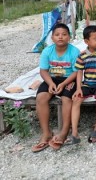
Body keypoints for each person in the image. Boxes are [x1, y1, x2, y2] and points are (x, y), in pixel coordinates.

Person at [31, 23, 80, 152]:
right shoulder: (47, 51)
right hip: (51, 78)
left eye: (64, 34)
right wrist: (51, 83)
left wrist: (63, 84)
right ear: (52, 38)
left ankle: (64, 131)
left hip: (69, 79)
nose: (60, 37)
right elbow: (43, 71)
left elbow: (76, 72)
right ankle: (46, 133)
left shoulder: (74, 51)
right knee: (41, 98)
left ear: (69, 37)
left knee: (66, 98)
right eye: (57, 35)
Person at [71, 25, 96, 144]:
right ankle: (74, 131)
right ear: (87, 41)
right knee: (76, 99)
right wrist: (78, 88)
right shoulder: (82, 55)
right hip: (87, 84)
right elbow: (79, 72)